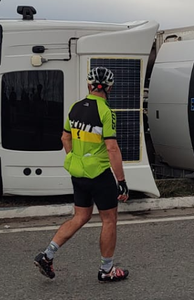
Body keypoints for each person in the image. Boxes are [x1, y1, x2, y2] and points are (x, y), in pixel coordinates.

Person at [34, 67, 130, 282]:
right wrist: (121, 181)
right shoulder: (106, 111)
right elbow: (112, 148)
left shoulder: (75, 108)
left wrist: (75, 158)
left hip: (78, 173)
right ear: (110, 88)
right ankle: (107, 270)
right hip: (99, 174)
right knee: (109, 220)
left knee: (81, 216)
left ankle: (47, 255)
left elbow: (65, 139)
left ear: (89, 85)